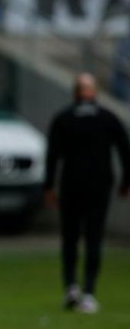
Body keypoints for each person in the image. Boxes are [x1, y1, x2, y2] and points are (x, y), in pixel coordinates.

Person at [44, 72, 130, 314]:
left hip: (71, 185)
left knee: (70, 238)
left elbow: (52, 156)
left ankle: (71, 287)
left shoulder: (63, 119)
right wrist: (125, 183)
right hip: (99, 187)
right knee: (94, 237)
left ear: (75, 92)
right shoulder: (108, 118)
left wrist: (48, 186)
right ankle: (90, 293)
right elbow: (125, 151)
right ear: (94, 93)